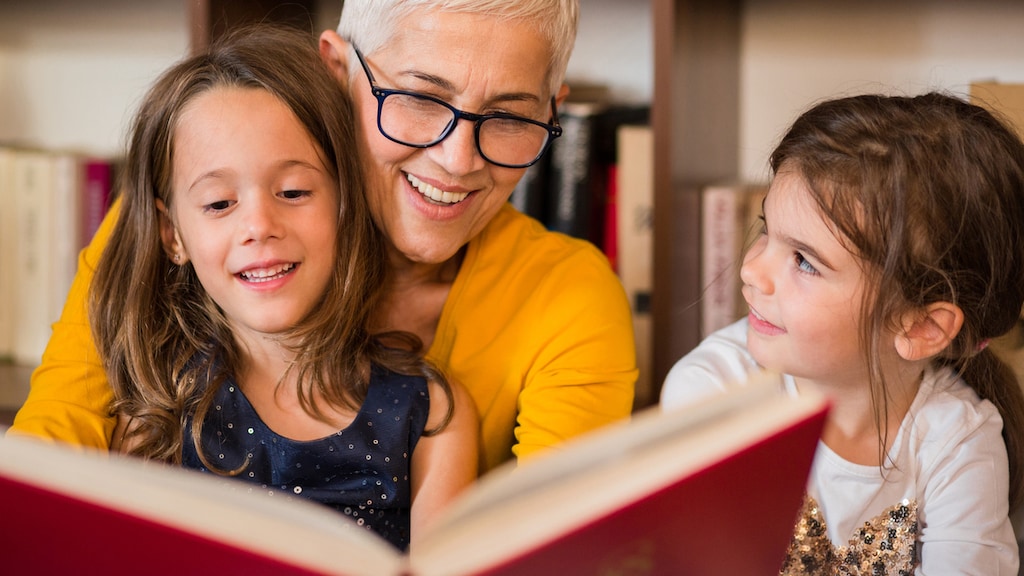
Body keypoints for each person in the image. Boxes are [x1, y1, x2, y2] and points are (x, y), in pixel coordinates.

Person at [10, 0, 637, 474]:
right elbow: (50, 458)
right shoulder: (195, 225)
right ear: (337, 71)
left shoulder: (569, 296)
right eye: (420, 98)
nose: (456, 159)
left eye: (508, 116)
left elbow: (553, 551)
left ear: (553, 110)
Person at [89, 25, 477, 550]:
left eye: (293, 191)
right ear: (172, 235)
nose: (260, 225)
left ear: (347, 203)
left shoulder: (431, 413)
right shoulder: (157, 412)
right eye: (219, 204)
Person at [661, 92, 1024, 574]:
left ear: (922, 326)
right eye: (767, 230)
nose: (751, 271)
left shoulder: (958, 443)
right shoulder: (709, 394)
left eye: (804, 261)